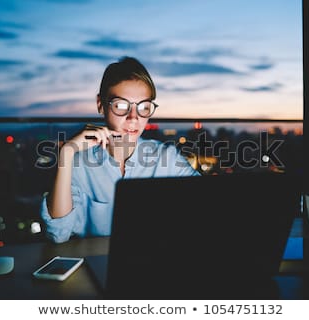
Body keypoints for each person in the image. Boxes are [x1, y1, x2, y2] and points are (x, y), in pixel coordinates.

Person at [40, 56, 200, 243]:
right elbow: (58, 234)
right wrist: (66, 154)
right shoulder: (78, 163)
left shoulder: (167, 158)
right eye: (121, 106)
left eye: (144, 107)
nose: (134, 118)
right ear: (101, 104)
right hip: (99, 263)